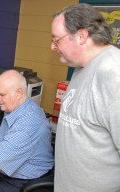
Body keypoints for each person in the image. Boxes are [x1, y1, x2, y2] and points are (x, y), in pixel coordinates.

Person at [51, 3, 120, 192]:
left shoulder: (113, 73)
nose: (52, 46)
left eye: (56, 39)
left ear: (81, 36)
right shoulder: (81, 67)